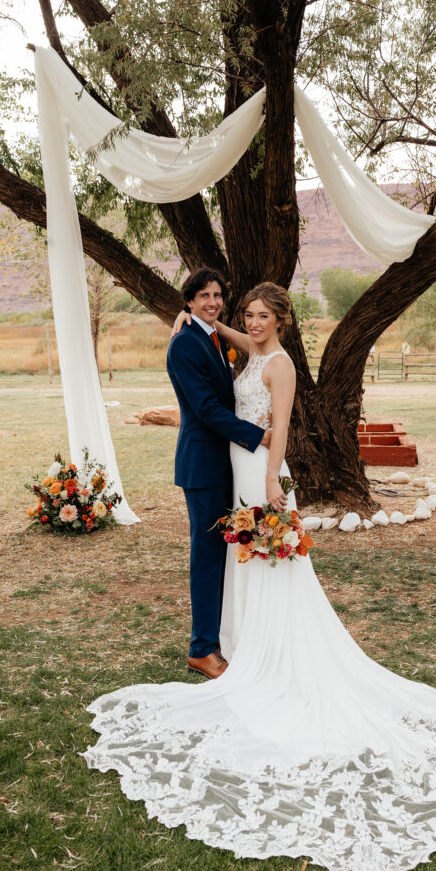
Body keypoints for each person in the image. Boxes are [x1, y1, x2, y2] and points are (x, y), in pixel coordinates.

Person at [83, 282, 436, 871]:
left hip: (261, 471)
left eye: (259, 313)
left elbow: (276, 424)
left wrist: (273, 481)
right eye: (240, 311)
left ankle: (264, 649)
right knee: (246, 561)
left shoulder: (277, 365)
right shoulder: (246, 346)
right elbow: (224, 338)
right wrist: (198, 320)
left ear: (281, 321)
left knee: (268, 559)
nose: (246, 319)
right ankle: (243, 642)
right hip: (238, 467)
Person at [164, 268, 271, 680]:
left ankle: (221, 638)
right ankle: (202, 650)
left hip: (226, 464)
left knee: (225, 552)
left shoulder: (208, 336)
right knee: (208, 557)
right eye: (203, 295)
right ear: (188, 301)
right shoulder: (184, 346)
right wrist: (259, 436)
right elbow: (206, 410)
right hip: (204, 467)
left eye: (218, 294)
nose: (212, 301)